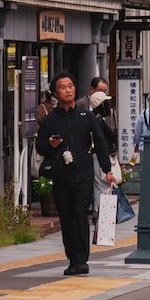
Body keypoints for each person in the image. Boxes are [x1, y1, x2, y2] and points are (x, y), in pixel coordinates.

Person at [37, 73, 114, 276]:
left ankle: (82, 260)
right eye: (63, 87)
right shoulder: (50, 119)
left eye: (71, 86)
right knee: (66, 216)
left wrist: (108, 170)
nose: (68, 90)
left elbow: (100, 143)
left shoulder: (85, 115)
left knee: (80, 214)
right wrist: (51, 144)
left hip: (84, 174)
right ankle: (72, 259)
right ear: (55, 92)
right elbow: (40, 147)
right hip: (61, 176)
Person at [89, 90, 118, 215]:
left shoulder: (97, 119)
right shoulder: (98, 120)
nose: (107, 105)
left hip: (98, 155)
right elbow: (110, 137)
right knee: (100, 184)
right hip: (99, 155)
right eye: (105, 102)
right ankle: (99, 212)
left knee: (100, 184)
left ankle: (99, 211)